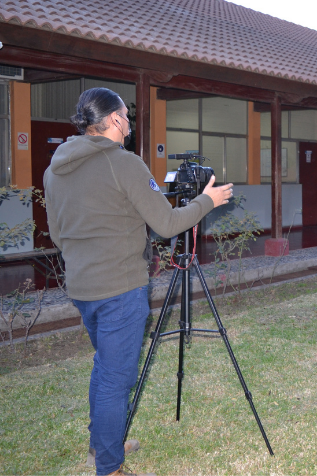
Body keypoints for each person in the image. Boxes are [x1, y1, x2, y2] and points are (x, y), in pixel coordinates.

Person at [44, 88, 232, 476]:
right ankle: (110, 466)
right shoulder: (124, 163)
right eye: (126, 116)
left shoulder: (54, 168)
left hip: (82, 287)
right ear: (113, 119)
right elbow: (166, 225)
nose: (129, 123)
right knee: (116, 378)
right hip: (120, 289)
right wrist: (208, 201)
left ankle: (104, 442)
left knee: (105, 368)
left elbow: (58, 236)